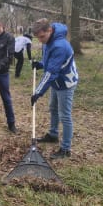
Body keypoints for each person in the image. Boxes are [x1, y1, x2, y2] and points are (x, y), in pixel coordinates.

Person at [30, 18, 79, 159]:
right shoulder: (48, 41)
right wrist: (40, 64)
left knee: (65, 115)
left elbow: (51, 72)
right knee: (53, 108)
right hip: (56, 82)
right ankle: (53, 135)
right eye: (38, 38)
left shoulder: (60, 46)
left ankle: (65, 149)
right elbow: (49, 62)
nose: (40, 40)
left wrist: (38, 92)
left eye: (42, 37)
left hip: (65, 83)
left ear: (50, 30)